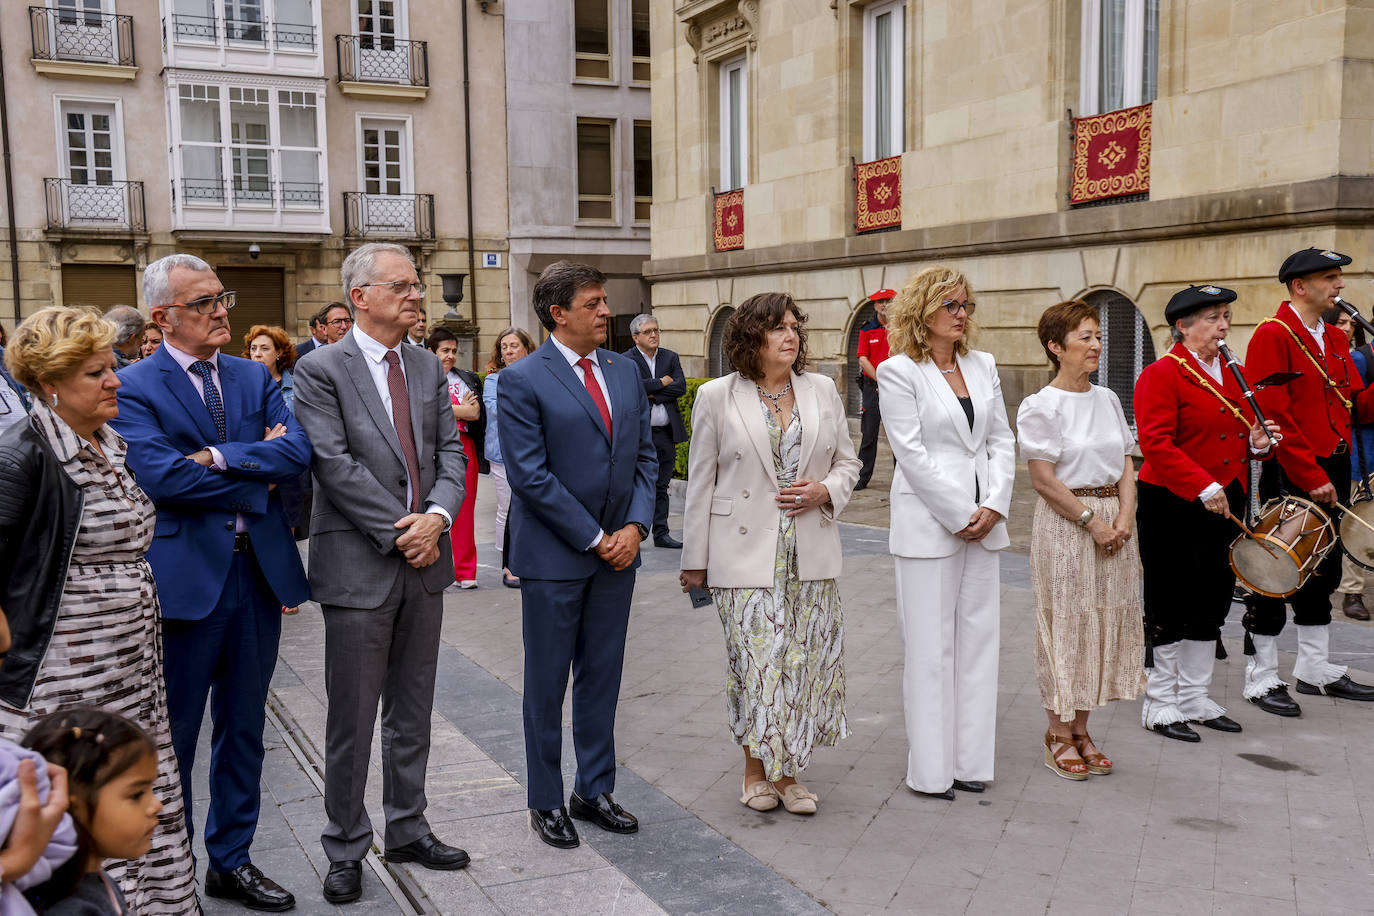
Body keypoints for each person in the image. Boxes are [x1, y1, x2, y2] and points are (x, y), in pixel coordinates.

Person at [112, 254, 309, 912]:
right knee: (176, 737)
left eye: (221, 297)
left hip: (256, 574)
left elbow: (297, 450)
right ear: (164, 317)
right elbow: (162, 478)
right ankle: (172, 872)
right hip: (185, 581)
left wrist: (220, 456)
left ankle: (231, 860)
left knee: (245, 728)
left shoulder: (254, 375)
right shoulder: (134, 384)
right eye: (204, 303)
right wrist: (255, 470)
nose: (223, 309)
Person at [0, 306, 197, 913]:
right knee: (91, 805)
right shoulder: (22, 453)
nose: (115, 381)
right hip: (65, 675)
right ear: (50, 382)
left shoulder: (110, 442)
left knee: (138, 794)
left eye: (112, 367)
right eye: (96, 373)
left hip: (132, 669)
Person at [292, 242, 469, 904]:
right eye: (403, 286)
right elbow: (333, 465)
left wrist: (440, 519)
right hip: (362, 564)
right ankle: (344, 845)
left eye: (418, 285)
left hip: (426, 562)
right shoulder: (321, 370)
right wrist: (409, 530)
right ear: (360, 296)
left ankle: (408, 828)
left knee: (413, 708)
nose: (417, 294)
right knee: (353, 717)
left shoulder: (425, 366)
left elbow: (452, 454)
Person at [679, 293, 860, 815]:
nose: (790, 336)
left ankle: (789, 774)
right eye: (777, 327)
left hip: (810, 552)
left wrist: (826, 490)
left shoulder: (822, 390)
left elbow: (848, 462)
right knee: (759, 662)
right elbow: (700, 483)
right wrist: (695, 561)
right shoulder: (717, 395)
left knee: (800, 662)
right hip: (742, 555)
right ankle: (754, 771)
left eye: (793, 327)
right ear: (750, 337)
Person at [498, 260, 656, 849]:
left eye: (603, 301)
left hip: (620, 555)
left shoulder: (622, 370)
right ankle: (545, 799)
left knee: (602, 677)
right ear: (557, 312)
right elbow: (530, 477)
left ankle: (593, 790)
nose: (605, 312)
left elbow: (644, 457)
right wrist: (595, 537)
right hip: (557, 556)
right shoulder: (523, 378)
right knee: (546, 683)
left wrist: (637, 526)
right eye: (593, 303)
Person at [877, 266, 1014, 800]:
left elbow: (1002, 440)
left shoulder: (983, 365)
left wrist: (994, 505)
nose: (962, 314)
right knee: (930, 650)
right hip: (929, 524)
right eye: (952, 305)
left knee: (980, 645)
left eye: (966, 306)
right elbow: (909, 454)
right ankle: (931, 772)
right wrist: (961, 513)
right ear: (922, 311)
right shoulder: (898, 372)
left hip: (986, 521)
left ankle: (970, 763)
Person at [1018, 300, 1144, 778]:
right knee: (1067, 623)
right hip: (1068, 523)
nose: (1095, 345)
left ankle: (1083, 729)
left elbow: (1127, 465)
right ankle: (1058, 731)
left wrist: (1126, 518)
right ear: (1056, 347)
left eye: (1097, 336)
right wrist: (1093, 522)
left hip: (1117, 520)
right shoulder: (1040, 405)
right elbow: (1044, 480)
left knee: (1103, 625)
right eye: (1084, 337)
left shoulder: (1109, 398)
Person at [1243, 248, 1374, 708]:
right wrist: (1309, 473)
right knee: (1276, 567)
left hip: (1332, 466)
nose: (1340, 285)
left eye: (1338, 277)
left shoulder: (1336, 340)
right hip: (1293, 470)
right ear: (1301, 286)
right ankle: (1260, 675)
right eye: (1330, 277)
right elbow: (1273, 416)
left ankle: (1314, 668)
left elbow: (1356, 406)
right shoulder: (1272, 335)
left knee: (1324, 569)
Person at [21, 708, 162, 915]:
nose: (156, 805)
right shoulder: (70, 909)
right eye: (137, 794)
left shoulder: (91, 879)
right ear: (74, 809)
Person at [427, 327, 486, 589]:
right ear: (431, 352)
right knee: (430, 509)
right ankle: (433, 567)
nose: (450, 356)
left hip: (464, 446)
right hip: (429, 448)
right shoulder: (419, 377)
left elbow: (475, 414)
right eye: (444, 351)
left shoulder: (466, 378)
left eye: (453, 351)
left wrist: (455, 410)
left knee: (464, 508)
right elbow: (426, 410)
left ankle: (465, 571)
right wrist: (459, 408)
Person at [622, 314, 688, 548]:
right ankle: (631, 532)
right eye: (648, 331)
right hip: (639, 436)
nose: (653, 335)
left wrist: (651, 391)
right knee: (633, 484)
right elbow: (632, 388)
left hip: (665, 434)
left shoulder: (670, 357)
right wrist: (662, 383)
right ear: (635, 337)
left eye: (656, 330)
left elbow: (680, 387)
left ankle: (661, 533)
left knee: (662, 485)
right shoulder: (626, 361)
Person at [1326, 307, 1374, 620]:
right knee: (1357, 526)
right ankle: (1352, 591)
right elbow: (1354, 411)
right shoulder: (1361, 358)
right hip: (1365, 456)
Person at [484, 327, 537, 588]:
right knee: (507, 509)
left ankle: (532, 558)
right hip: (502, 454)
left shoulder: (539, 375)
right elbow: (497, 410)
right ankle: (508, 564)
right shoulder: (494, 381)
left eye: (514, 345)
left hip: (535, 452)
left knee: (534, 507)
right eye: (504, 346)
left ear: (526, 348)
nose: (508, 350)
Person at [244, 325, 308, 531]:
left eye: (264, 349)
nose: (257, 354)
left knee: (290, 530)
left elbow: (302, 428)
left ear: (279, 352)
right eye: (253, 349)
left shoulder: (297, 387)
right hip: (256, 467)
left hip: (290, 470)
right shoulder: (243, 386)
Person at [855, 288, 895, 490]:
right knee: (868, 435)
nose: (884, 304)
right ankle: (861, 479)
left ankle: (902, 479)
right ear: (875, 305)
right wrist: (881, 380)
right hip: (873, 388)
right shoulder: (866, 329)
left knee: (900, 435)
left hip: (897, 389)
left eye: (888, 300)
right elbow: (863, 359)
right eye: (880, 301)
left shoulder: (901, 329)